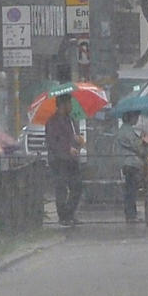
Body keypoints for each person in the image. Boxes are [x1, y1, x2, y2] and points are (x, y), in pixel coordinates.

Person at [44, 93, 84, 225]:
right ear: (63, 104)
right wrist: (67, 148)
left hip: (72, 160)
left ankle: (69, 213)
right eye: (69, 103)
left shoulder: (71, 120)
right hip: (59, 160)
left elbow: (72, 137)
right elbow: (53, 141)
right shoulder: (52, 122)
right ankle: (63, 216)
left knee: (77, 186)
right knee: (61, 188)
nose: (71, 106)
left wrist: (78, 141)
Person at [117, 111, 148, 222]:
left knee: (131, 189)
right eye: (135, 116)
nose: (137, 118)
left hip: (130, 163)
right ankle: (131, 215)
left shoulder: (127, 130)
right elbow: (135, 145)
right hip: (130, 163)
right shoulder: (126, 131)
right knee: (131, 190)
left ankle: (132, 213)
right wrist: (144, 145)